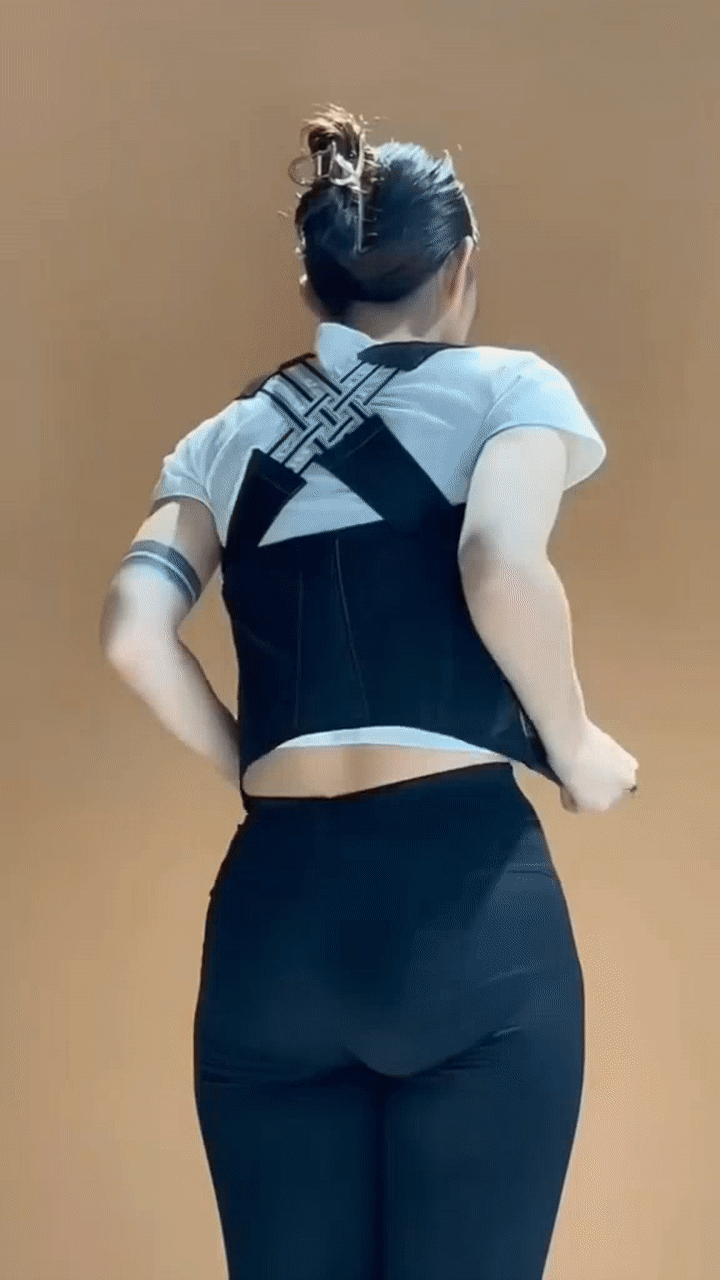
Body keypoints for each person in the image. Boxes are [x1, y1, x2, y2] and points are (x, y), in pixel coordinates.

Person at [100, 104, 638, 1280]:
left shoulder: (221, 441)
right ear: (459, 269)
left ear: (316, 286)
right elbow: (499, 559)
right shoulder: (509, 387)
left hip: (275, 917)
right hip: (466, 901)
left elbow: (135, 633)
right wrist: (577, 743)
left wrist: (256, 766)